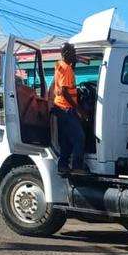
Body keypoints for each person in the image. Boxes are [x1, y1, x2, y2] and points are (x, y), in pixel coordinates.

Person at [51, 42, 85, 177]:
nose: (75, 55)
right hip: (67, 108)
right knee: (79, 137)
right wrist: (79, 110)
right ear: (66, 54)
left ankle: (63, 165)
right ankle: (77, 167)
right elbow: (65, 91)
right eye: (73, 53)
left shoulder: (59, 65)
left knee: (66, 140)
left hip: (59, 107)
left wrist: (74, 62)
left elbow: (67, 83)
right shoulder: (66, 69)